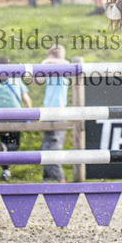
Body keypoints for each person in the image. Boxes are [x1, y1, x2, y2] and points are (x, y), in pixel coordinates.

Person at [0, 57, 32, 182]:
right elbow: (26, 98)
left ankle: (6, 171)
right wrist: (30, 113)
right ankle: (7, 154)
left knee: (4, 141)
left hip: (0, 118)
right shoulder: (16, 79)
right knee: (15, 143)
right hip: (16, 116)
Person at [35, 45, 70, 182]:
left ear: (51, 56)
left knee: (53, 150)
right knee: (46, 149)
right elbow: (38, 80)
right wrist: (44, 67)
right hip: (48, 113)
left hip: (59, 114)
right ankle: (48, 180)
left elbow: (64, 62)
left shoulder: (64, 67)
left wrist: (45, 63)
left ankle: (60, 181)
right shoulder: (49, 69)